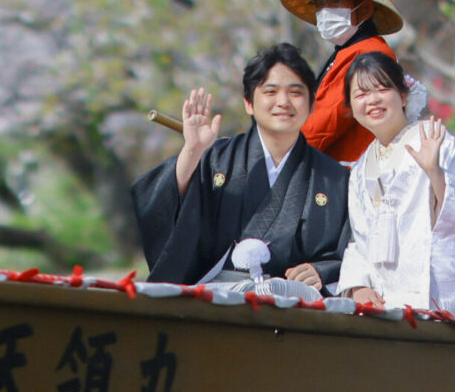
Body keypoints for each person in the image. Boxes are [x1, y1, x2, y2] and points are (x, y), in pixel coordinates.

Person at [132, 44, 349, 292]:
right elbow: (161, 203)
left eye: (296, 93)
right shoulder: (216, 159)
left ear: (311, 105)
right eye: (270, 91)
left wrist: (321, 270)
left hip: (292, 302)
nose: (283, 102)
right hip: (213, 298)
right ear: (249, 103)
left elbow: (354, 251)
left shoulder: (334, 179)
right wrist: (192, 151)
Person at [335, 52, 455, 318]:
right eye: (361, 94)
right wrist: (358, 286)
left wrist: (435, 172)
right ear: (351, 106)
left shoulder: (435, 141)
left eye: (382, 89)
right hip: (384, 304)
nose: (373, 100)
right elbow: (360, 240)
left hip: (436, 299)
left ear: (403, 96)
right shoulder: (360, 169)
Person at [277, 0, 403, 164]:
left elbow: (321, 126)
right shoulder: (349, 52)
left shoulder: (368, 54)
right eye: (320, 4)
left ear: (365, 9)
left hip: (348, 173)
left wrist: (274, 149)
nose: (325, 11)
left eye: (336, 2)